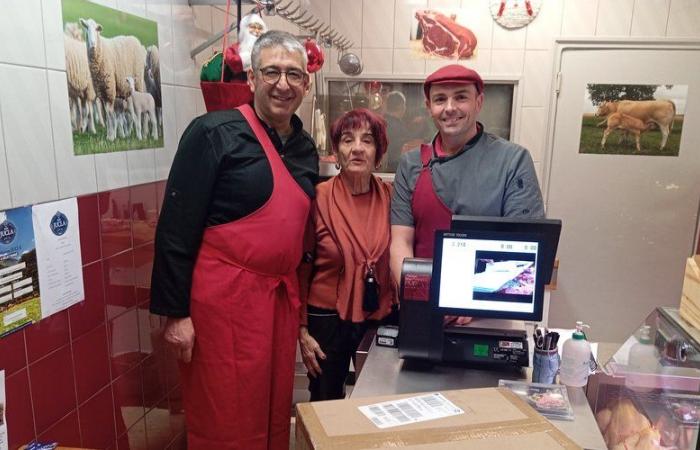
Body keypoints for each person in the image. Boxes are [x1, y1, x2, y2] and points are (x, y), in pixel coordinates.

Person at [150, 31, 318, 449]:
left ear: (306, 84)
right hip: (222, 304)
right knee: (225, 413)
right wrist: (175, 316)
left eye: (294, 74)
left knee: (273, 407)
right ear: (252, 78)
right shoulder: (213, 133)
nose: (283, 84)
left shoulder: (304, 147)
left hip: (277, 301)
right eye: (272, 72)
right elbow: (175, 226)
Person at [390, 64, 545, 324]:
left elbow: (526, 247)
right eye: (440, 99)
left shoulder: (512, 161)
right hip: (424, 313)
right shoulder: (411, 164)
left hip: (492, 312)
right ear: (429, 107)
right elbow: (400, 243)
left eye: (461, 96)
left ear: (479, 102)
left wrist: (472, 301)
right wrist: (419, 297)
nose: (450, 107)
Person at [298, 108, 395, 401]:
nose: (357, 148)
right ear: (335, 151)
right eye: (347, 139)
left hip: (380, 313)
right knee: (325, 400)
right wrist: (301, 330)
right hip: (325, 317)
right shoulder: (317, 198)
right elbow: (300, 267)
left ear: (378, 152)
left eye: (367, 140)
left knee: (380, 398)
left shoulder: (393, 198)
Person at [382, 91, 410, 172]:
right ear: (400, 106)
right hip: (394, 169)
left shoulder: (382, 122)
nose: (405, 107)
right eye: (404, 104)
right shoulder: (398, 127)